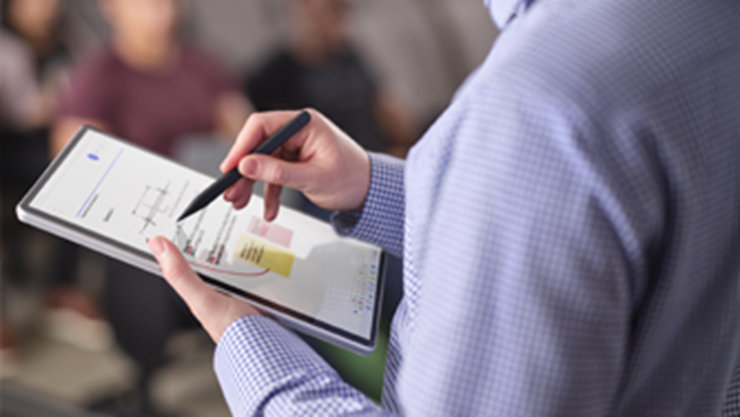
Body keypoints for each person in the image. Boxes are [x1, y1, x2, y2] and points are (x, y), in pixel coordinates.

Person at [148, 0, 740, 416]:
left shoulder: (537, 110)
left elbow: (543, 184)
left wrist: (248, 340)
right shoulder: (697, 22)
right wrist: (372, 184)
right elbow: (582, 226)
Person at [52, 0, 250, 412]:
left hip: (217, 216)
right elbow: (74, 164)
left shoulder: (204, 67)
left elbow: (242, 133)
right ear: (113, 8)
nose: (160, 14)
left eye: (167, 4)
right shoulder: (98, 77)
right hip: (146, 233)